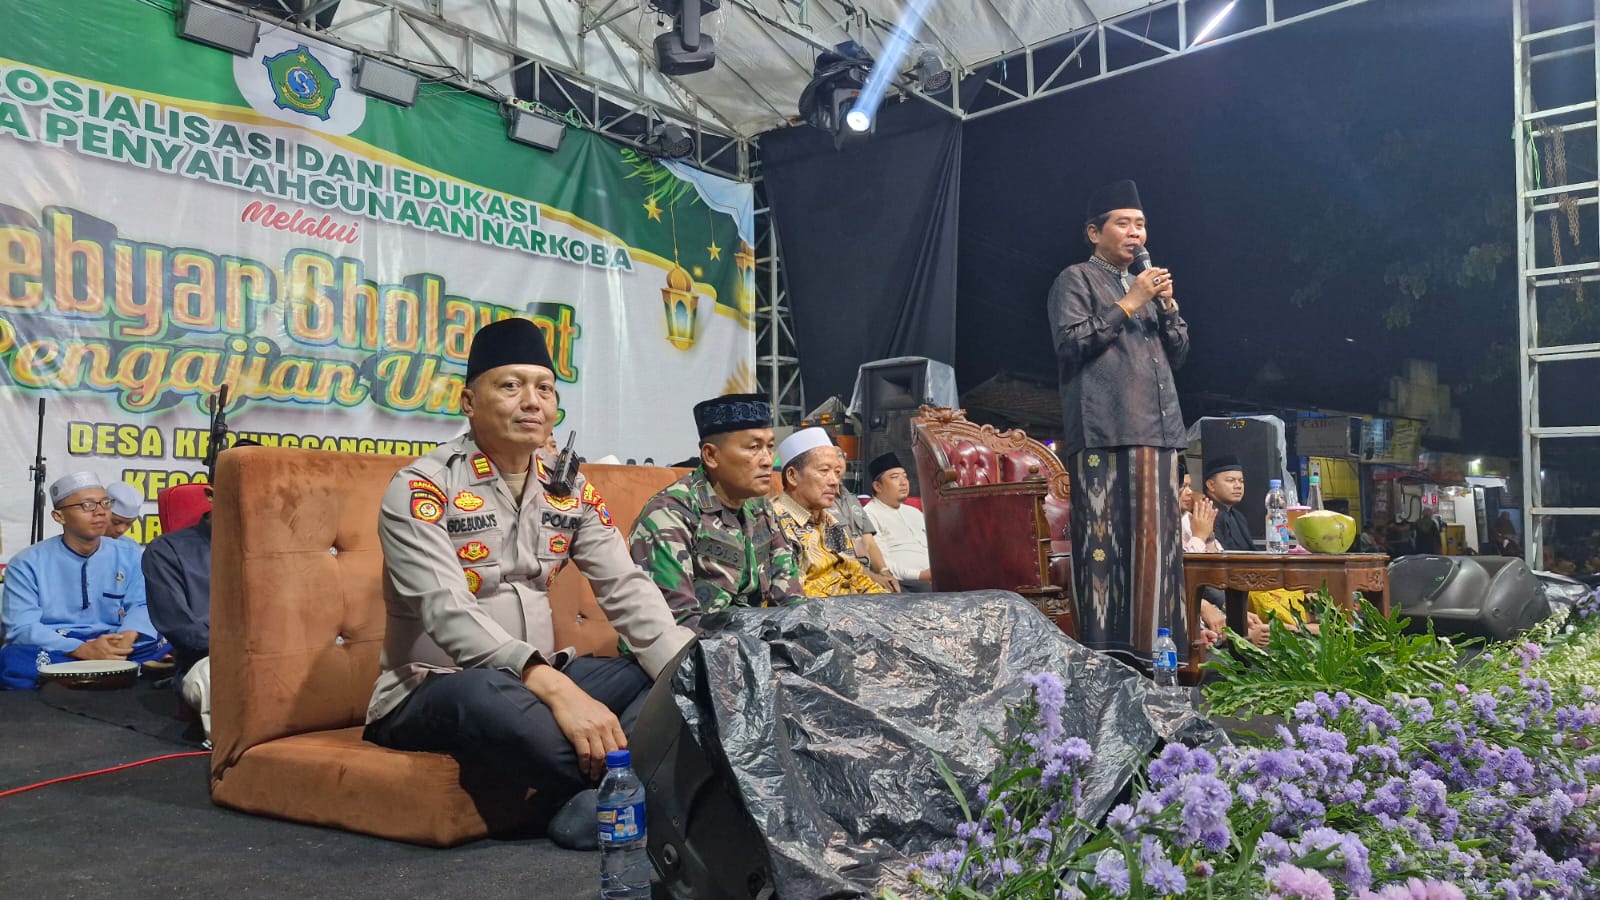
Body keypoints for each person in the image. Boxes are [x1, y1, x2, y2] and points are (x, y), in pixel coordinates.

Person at [363, 317, 694, 851]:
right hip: (435, 686)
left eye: (545, 388)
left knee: (652, 673)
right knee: (485, 694)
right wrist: (555, 688)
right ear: (469, 401)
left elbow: (626, 587)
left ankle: (600, 797)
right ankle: (648, 786)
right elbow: (445, 609)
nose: (532, 402)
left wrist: (693, 675)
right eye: (511, 386)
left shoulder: (570, 488)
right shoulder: (422, 488)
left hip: (540, 680)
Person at [1048, 178, 1189, 667]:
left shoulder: (1148, 286)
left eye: (1141, 224)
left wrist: (1166, 305)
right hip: (1106, 434)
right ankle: (1106, 663)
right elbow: (1070, 344)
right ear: (1094, 232)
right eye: (1123, 223)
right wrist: (1130, 302)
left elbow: (1179, 354)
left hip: (1160, 433)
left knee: (1160, 552)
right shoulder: (1076, 279)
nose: (1136, 233)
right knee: (1106, 551)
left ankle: (1160, 660)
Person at [629, 394, 806, 625]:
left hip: (750, 638)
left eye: (769, 447)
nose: (767, 460)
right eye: (754, 447)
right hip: (688, 643)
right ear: (711, 456)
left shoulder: (761, 508)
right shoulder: (670, 514)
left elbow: (790, 601)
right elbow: (678, 622)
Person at [1, 472, 169, 689]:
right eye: (87, 505)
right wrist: (81, 649)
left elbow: (141, 604)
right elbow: (21, 627)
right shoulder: (26, 563)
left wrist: (126, 638)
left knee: (170, 640)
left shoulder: (129, 554)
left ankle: (82, 675)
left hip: (114, 639)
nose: (100, 511)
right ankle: (123, 672)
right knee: (13, 659)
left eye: (105, 503)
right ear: (59, 516)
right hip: (59, 643)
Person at [772, 428, 891, 597]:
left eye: (836, 472)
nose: (835, 481)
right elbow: (793, 600)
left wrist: (884, 600)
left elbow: (856, 574)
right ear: (792, 476)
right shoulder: (774, 524)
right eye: (824, 471)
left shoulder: (829, 522)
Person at [1181, 475, 1270, 650]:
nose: (1190, 492)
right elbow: (1184, 576)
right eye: (1183, 487)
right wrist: (1199, 536)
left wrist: (1208, 537)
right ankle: (1236, 636)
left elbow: (1217, 569)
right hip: (1187, 600)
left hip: (1214, 596)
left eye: (1241, 481)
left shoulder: (1189, 518)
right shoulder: (1160, 524)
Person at [861, 452, 932, 591]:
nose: (903, 482)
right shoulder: (868, 514)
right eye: (894, 477)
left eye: (905, 476)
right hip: (906, 583)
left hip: (935, 576)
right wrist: (920, 575)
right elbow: (881, 563)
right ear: (877, 486)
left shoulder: (915, 512)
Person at [1201, 456, 1253, 552]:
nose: (1238, 486)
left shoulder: (1238, 516)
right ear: (1211, 485)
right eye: (1230, 480)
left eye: (1241, 481)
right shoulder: (1205, 515)